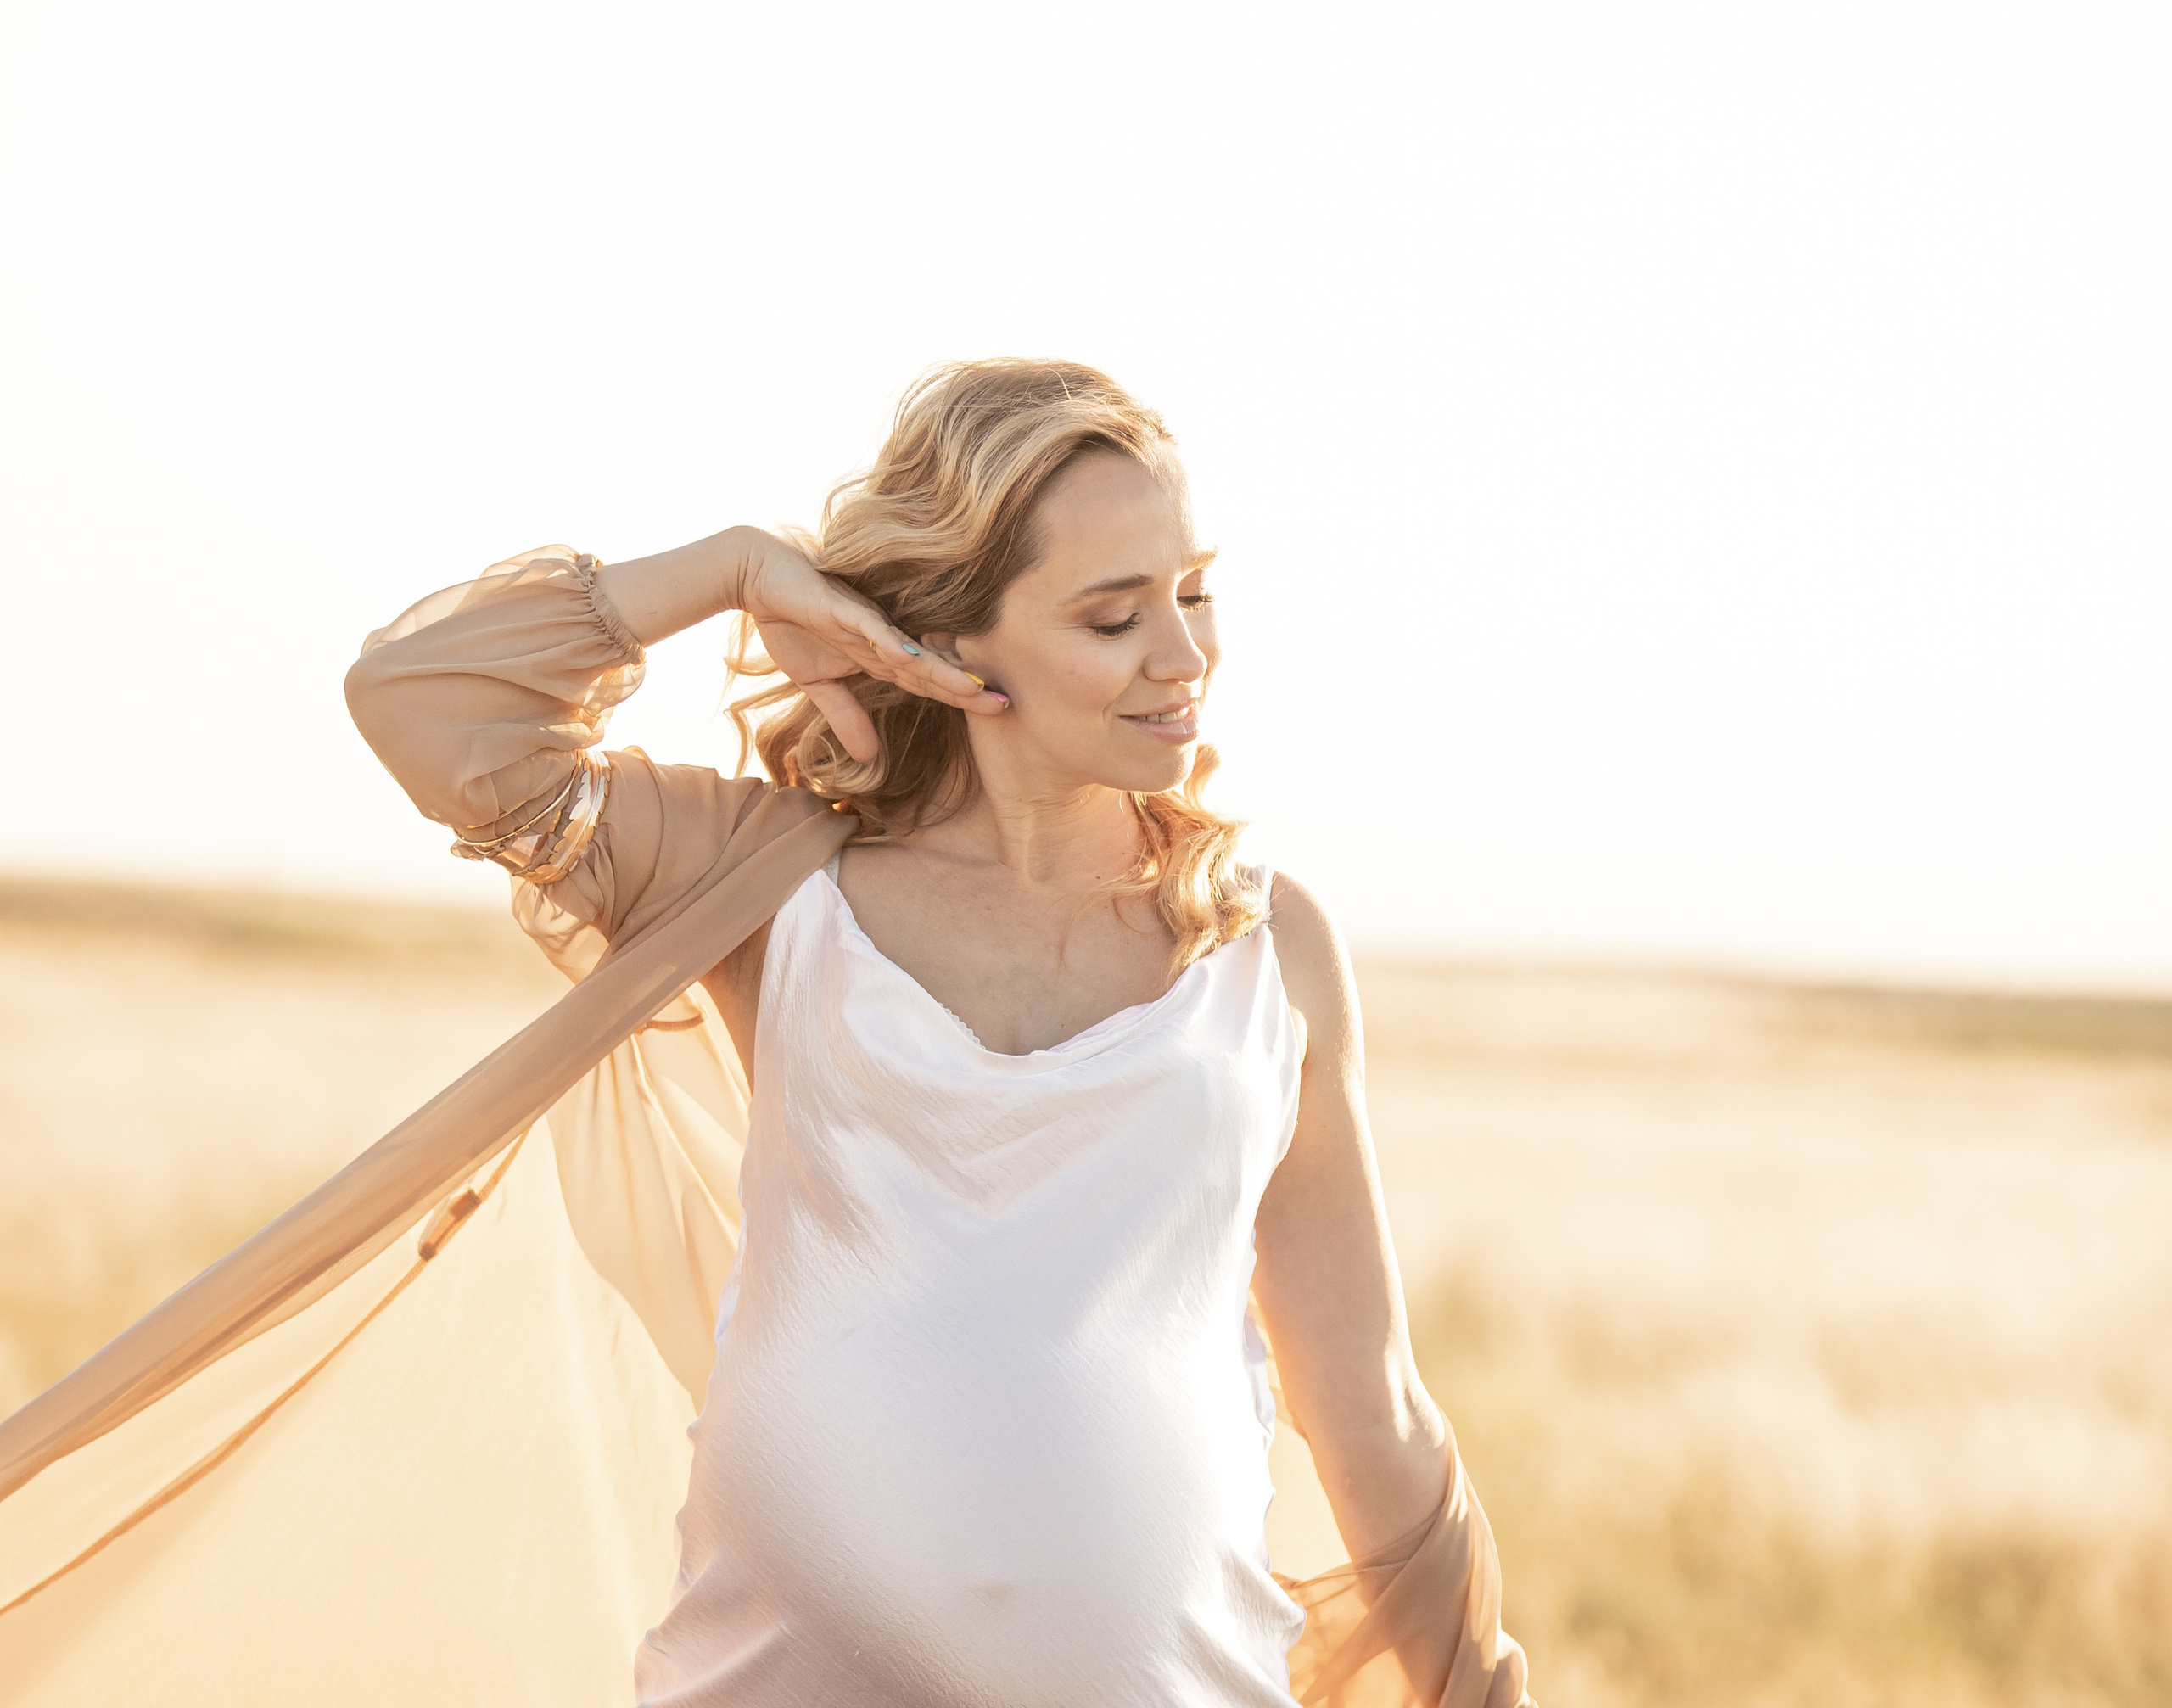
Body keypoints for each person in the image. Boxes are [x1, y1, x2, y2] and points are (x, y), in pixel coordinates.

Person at [0, 358, 1527, 1708]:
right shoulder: (770, 883)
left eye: (1194, 591)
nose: (1184, 657)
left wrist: (1484, 1686)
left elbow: (1372, 1408)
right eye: (1116, 617)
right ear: (951, 642)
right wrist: (734, 571)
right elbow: (422, 701)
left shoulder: (1265, 948)